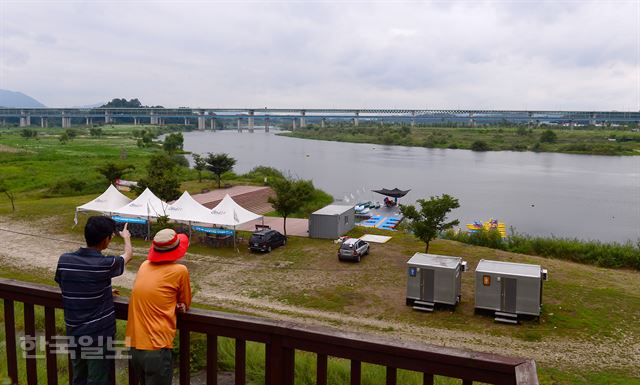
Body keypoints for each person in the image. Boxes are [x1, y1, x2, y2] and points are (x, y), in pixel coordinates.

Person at [55, 216, 133, 385]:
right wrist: (126, 237)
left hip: (74, 332)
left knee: (79, 378)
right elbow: (128, 255)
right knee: (97, 380)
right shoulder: (104, 263)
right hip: (98, 337)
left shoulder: (64, 260)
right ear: (106, 239)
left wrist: (101, 290)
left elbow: (67, 285)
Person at [126, 228, 192, 385]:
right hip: (156, 347)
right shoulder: (180, 270)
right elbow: (185, 302)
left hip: (134, 345)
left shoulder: (144, 266)